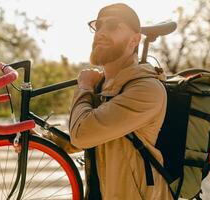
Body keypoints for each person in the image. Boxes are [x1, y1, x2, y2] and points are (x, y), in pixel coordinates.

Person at [45, 3, 173, 200]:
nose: (101, 32)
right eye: (99, 25)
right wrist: (38, 138)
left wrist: (84, 88)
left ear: (135, 40)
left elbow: (82, 134)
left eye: (113, 26)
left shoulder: (147, 90)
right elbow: (80, 141)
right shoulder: (104, 86)